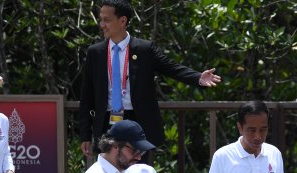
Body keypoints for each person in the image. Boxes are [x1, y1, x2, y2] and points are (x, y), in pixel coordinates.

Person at [78, 0, 221, 156]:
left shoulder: (144, 49)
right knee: (109, 172)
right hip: (106, 121)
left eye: (107, 20)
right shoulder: (95, 52)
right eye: (101, 19)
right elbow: (87, 96)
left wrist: (198, 77)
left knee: (137, 170)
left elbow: (170, 67)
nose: (102, 24)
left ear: (123, 21)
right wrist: (85, 134)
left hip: (137, 121)